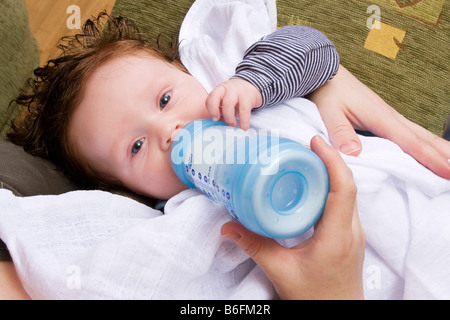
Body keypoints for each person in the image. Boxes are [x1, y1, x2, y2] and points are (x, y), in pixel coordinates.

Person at [1, 14, 448, 299]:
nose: (168, 132)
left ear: (188, 73)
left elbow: (313, 46)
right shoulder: (172, 215)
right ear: (128, 191)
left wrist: (254, 82)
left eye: (164, 99)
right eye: (135, 148)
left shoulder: (246, 96)